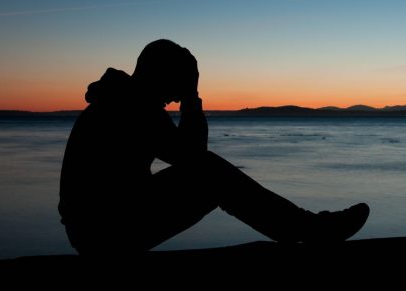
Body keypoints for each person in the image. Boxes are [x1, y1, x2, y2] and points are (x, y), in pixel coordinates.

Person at [59, 39, 369, 255]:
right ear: (162, 75)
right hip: (104, 232)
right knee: (209, 172)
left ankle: (305, 227)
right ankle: (309, 229)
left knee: (208, 172)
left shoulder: (124, 100)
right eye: (178, 84)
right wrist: (193, 98)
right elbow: (192, 156)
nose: (177, 97)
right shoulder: (130, 106)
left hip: (98, 226)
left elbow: (187, 155)